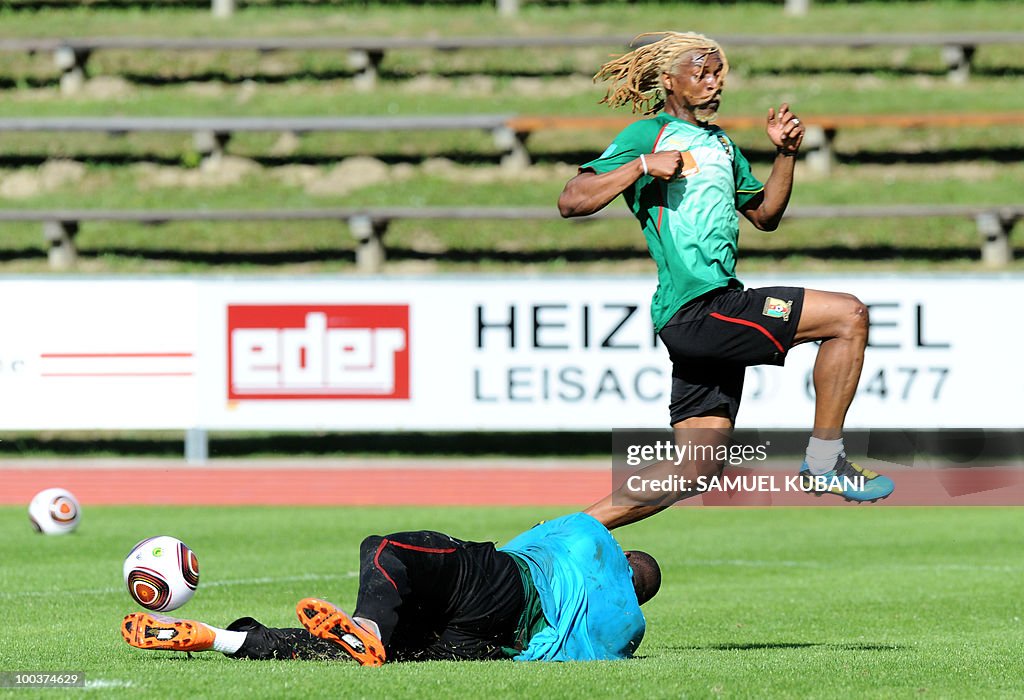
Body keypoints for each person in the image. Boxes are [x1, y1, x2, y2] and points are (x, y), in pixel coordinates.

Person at [557, 31, 894, 528]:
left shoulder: (721, 144)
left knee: (696, 466)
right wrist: (642, 165)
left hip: (707, 313)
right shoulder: (645, 136)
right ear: (669, 80)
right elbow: (572, 200)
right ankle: (825, 462)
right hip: (698, 309)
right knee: (848, 314)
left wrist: (786, 154)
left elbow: (764, 215)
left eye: (719, 74)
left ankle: (561, 536)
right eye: (702, 73)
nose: (715, 83)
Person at [121, 512, 661, 665]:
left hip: (509, 583)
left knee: (386, 550)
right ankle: (221, 638)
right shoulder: (625, 631)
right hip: (494, 646)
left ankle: (370, 628)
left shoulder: (591, 538)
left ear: (623, 556)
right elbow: (586, 656)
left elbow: (525, 541)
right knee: (342, 652)